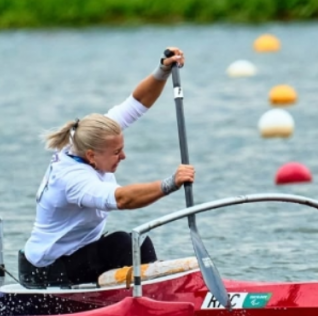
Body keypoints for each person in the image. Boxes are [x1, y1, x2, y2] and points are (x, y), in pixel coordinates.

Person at [18, 46, 195, 289]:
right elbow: (122, 199)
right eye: (116, 152)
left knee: (135, 245)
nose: (123, 156)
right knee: (124, 244)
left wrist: (162, 71)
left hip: (78, 252)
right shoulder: (73, 179)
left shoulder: (89, 137)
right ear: (91, 156)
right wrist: (170, 183)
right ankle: (154, 296)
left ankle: (155, 291)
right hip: (49, 271)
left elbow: (138, 101)